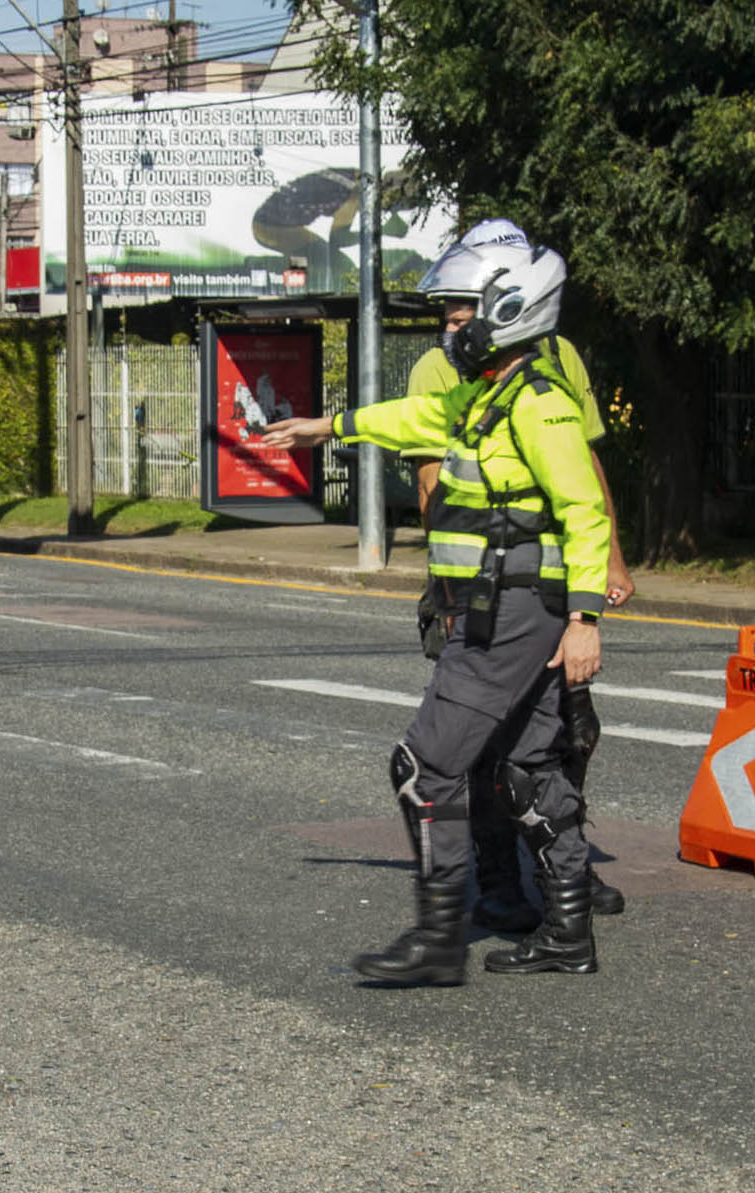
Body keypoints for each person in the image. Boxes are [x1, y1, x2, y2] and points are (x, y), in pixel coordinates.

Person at [262, 227, 613, 985]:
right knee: (524, 769)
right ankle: (568, 932)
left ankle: (439, 938)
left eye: (459, 318)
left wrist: (585, 618)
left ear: (508, 309)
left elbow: (584, 509)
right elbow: (409, 418)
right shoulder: (483, 398)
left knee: (424, 767)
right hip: (501, 606)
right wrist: (327, 426)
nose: (448, 331)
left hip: (512, 611)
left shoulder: (539, 404)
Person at [401, 220, 634, 936]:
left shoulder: (557, 352)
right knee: (478, 737)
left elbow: (583, 463)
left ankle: (561, 867)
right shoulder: (441, 363)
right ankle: (497, 879)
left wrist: (612, 558)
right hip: (479, 579)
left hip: (553, 582)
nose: (455, 318)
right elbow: (432, 477)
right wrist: (458, 577)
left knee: (566, 731)